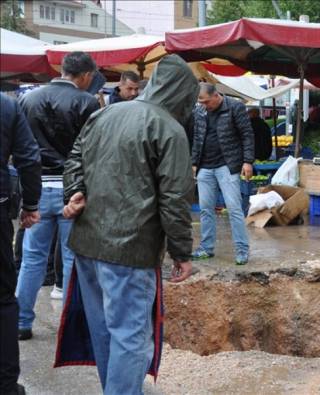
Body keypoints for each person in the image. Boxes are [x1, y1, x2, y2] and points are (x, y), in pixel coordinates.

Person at [60, 54, 196, 394]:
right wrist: (181, 251)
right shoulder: (170, 129)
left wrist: (76, 190)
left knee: (105, 329)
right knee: (131, 337)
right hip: (130, 251)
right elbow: (174, 199)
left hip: (88, 244)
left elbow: (75, 156)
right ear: (183, 94)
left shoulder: (105, 113)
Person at [16, 51, 99, 341]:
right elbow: (91, 150)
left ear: (62, 69)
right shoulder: (87, 102)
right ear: (86, 75)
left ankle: (21, 322)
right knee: (72, 258)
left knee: (31, 259)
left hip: (36, 188)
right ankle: (71, 326)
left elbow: (22, 149)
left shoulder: (28, 99)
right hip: (71, 190)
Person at [1, 93, 42, 395]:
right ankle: (5, 384)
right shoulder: (7, 105)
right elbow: (28, 158)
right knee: (2, 298)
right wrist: (30, 203)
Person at [191, 83, 255, 265]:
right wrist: (194, 163)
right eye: (200, 102)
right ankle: (206, 247)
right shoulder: (200, 111)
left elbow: (247, 134)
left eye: (205, 101)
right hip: (205, 166)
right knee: (205, 209)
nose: (203, 105)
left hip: (228, 165)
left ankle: (242, 249)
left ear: (216, 96)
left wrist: (248, 161)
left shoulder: (235, 107)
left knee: (234, 209)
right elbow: (197, 137)